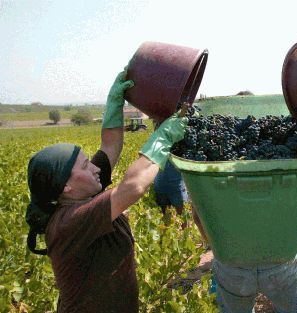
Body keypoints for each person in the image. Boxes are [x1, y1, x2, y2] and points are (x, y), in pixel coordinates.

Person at [25, 67, 188, 312]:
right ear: (66, 186)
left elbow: (110, 146)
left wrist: (114, 103)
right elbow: (133, 186)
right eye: (84, 164)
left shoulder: (84, 188)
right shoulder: (69, 222)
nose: (95, 168)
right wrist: (163, 138)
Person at [212, 189, 297, 313]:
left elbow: (197, 217)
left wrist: (217, 248)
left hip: (232, 262)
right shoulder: (291, 167)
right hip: (280, 258)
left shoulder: (207, 169)